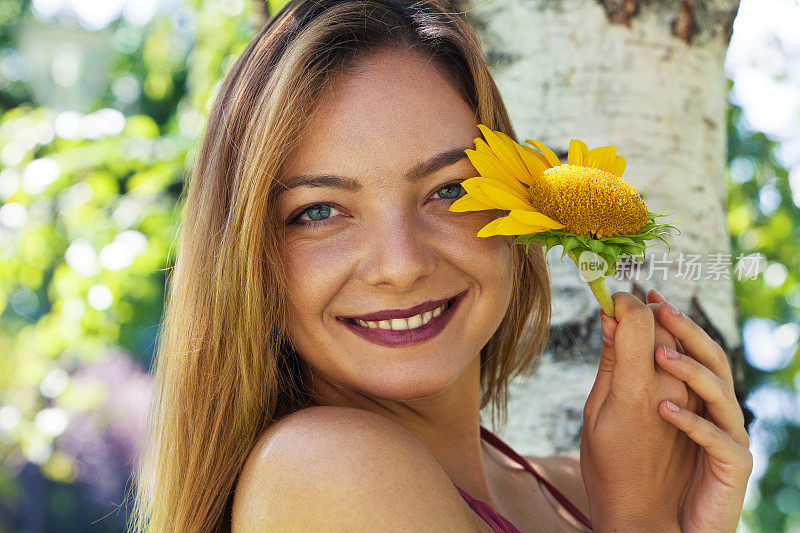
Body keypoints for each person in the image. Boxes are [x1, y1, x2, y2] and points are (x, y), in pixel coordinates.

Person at [129, 1, 753, 532]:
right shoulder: (324, 472)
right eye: (320, 210)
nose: (400, 265)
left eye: (448, 192)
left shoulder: (579, 488)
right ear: (250, 260)